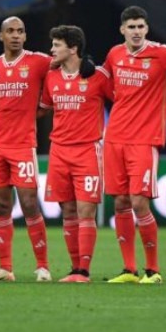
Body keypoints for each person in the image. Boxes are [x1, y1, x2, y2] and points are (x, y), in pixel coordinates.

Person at [102, 6, 166, 284]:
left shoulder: (162, 53)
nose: (136, 32)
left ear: (147, 28)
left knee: (139, 202)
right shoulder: (114, 54)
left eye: (141, 27)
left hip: (144, 140)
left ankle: (153, 270)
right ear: (122, 29)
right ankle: (129, 270)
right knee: (120, 201)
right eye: (131, 27)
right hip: (115, 137)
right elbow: (108, 84)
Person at [0, 16, 52, 282]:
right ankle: (5, 268)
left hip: (22, 145)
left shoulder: (39, 61)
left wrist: (38, 112)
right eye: (10, 31)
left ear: (25, 36)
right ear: (1, 36)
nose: (16, 35)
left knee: (29, 204)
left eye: (20, 31)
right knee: (1, 205)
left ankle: (42, 266)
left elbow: (63, 66)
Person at [38, 25, 111, 283]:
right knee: (67, 211)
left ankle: (84, 271)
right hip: (58, 151)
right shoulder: (51, 77)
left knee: (85, 212)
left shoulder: (99, 76)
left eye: (57, 45)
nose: (52, 50)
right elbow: (43, 109)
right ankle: (74, 268)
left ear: (73, 48)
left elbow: (123, 102)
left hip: (87, 151)